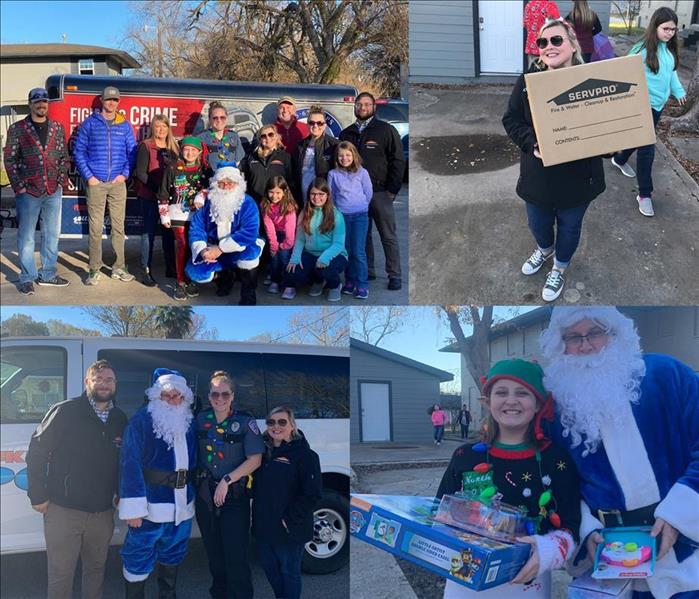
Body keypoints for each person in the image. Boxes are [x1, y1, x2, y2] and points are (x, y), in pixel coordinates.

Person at [540, 306, 699, 599]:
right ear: (561, 345)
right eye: (573, 337)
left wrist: (678, 516)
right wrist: (585, 530)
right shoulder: (557, 408)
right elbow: (557, 482)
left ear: (614, 334)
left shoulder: (667, 375)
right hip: (605, 560)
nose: (585, 345)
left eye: (595, 333)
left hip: (683, 557)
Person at [437, 359, 581, 599]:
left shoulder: (555, 458)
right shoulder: (463, 456)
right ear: (488, 401)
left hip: (526, 585)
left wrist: (549, 550)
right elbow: (439, 513)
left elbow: (571, 524)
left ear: (537, 404)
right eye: (501, 392)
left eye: (522, 393)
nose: (511, 401)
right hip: (466, 581)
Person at [502, 18, 605, 302]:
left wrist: (612, 142)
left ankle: (559, 266)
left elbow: (609, 127)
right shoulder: (526, 82)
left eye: (556, 40)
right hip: (539, 174)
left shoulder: (592, 80)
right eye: (542, 42)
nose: (548, 46)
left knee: (570, 227)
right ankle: (545, 249)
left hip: (579, 177)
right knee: (538, 224)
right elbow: (511, 119)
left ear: (573, 45)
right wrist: (531, 141)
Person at [25, 359, 127, 599]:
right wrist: (37, 495)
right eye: (98, 379)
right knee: (61, 573)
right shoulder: (65, 411)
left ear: (115, 384)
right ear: (87, 382)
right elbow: (37, 452)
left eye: (109, 379)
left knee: (96, 570)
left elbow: (123, 462)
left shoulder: (119, 419)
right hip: (64, 510)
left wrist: (121, 492)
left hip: (102, 513)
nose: (104, 384)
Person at [119, 369, 197, 598]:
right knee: (137, 558)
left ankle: (167, 595)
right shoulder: (141, 421)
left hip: (181, 507)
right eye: (167, 396)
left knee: (173, 554)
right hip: (150, 507)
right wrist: (133, 509)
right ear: (157, 397)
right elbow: (129, 463)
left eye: (178, 396)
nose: (173, 400)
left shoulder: (188, 421)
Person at [610, 7, 686, 218]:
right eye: (666, 28)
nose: (670, 33)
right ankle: (644, 194)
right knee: (647, 148)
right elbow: (622, 73)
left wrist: (678, 91)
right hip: (641, 105)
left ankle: (620, 158)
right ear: (655, 26)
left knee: (640, 140)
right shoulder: (641, 49)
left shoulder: (669, 50)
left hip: (658, 106)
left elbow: (672, 74)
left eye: (673, 29)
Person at [196, 370, 264, 599]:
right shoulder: (200, 420)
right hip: (206, 494)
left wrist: (227, 480)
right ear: (209, 396)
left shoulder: (245, 422)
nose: (220, 399)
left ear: (232, 395)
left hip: (234, 495)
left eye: (225, 394)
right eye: (215, 394)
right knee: (214, 556)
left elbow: (255, 459)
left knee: (236, 555)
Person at [4, 87, 69, 295]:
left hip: (52, 190)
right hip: (28, 192)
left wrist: (61, 180)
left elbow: (63, 157)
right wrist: (19, 186)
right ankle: (27, 278)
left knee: (52, 235)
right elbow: (10, 159)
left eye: (45, 102)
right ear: (30, 104)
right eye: (37, 101)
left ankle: (48, 274)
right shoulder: (17, 129)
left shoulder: (57, 128)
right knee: (27, 236)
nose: (42, 105)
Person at [252, 406, 322, 599]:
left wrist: (289, 519)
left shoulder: (305, 455)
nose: (276, 426)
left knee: (289, 573)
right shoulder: (261, 455)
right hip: (264, 526)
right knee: (270, 569)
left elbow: (312, 494)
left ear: (292, 425)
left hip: (290, 527)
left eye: (282, 422)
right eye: (271, 422)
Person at [72, 85, 137, 285]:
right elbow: (78, 151)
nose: (111, 103)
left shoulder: (125, 125)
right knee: (95, 228)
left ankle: (119, 267)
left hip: (117, 184)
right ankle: (94, 269)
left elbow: (132, 152)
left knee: (118, 228)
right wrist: (89, 176)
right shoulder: (90, 124)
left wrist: (124, 174)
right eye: (108, 99)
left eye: (115, 100)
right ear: (102, 100)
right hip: (96, 183)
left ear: (119, 102)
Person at [340, 92, 405, 290]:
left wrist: (392, 190)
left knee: (388, 235)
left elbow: (398, 160)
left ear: (374, 107)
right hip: (355, 196)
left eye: (367, 104)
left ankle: (394, 274)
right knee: (363, 235)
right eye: (359, 104)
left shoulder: (386, 130)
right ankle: (368, 271)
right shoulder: (347, 133)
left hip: (380, 192)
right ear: (355, 107)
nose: (362, 108)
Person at [186, 166, 264, 305]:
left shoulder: (248, 203)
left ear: (238, 184)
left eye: (230, 183)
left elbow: (249, 233)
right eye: (222, 183)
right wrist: (203, 250)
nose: (226, 187)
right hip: (214, 246)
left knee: (249, 257)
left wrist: (220, 249)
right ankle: (225, 277)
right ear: (216, 184)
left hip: (241, 247)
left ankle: (248, 292)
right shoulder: (208, 202)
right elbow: (196, 228)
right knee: (196, 273)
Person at [158, 135, 212, 301]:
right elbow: (163, 193)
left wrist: (201, 197)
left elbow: (210, 188)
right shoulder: (172, 168)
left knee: (194, 246)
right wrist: (164, 215)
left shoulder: (205, 169)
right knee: (181, 245)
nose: (189, 153)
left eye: (193, 150)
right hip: (177, 212)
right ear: (181, 150)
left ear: (199, 152)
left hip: (197, 215)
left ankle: (191, 279)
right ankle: (180, 281)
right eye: (186, 149)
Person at [281, 177, 348, 302]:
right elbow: (300, 239)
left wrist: (325, 257)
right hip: (311, 254)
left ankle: (335, 285)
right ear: (309, 195)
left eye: (321, 194)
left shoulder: (336, 215)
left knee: (326, 268)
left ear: (327, 195)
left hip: (333, 255)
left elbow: (338, 244)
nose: (316, 198)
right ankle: (318, 281)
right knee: (293, 271)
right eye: (313, 194)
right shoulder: (304, 213)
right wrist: (295, 258)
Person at [133, 114, 178, 286]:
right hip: (150, 196)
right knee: (148, 234)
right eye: (158, 126)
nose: (161, 130)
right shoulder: (146, 145)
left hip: (168, 200)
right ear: (153, 128)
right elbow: (140, 173)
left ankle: (170, 268)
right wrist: (159, 189)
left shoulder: (174, 147)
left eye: (164, 126)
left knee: (168, 233)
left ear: (168, 128)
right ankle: (146, 270)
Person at [328, 141, 373, 300]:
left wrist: (359, 206)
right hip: (342, 217)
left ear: (354, 155)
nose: (344, 158)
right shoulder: (333, 174)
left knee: (358, 251)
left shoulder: (362, 172)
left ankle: (362, 284)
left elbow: (368, 193)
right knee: (345, 250)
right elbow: (331, 196)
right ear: (337, 157)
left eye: (348, 155)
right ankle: (349, 281)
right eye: (341, 155)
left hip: (360, 216)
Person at [293, 104, 338, 208]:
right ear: (307, 124)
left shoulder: (334, 145)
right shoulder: (300, 146)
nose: (315, 126)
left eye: (320, 123)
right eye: (311, 122)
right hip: (304, 196)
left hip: (324, 197)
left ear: (325, 125)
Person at [260, 176, 297, 295]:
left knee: (285, 257)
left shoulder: (289, 206)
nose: (274, 196)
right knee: (274, 257)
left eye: (278, 193)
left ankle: (289, 284)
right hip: (274, 235)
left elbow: (290, 228)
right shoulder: (265, 205)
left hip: (288, 236)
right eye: (271, 192)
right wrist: (274, 245)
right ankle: (275, 280)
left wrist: (286, 244)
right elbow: (268, 226)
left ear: (284, 192)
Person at [240, 124, 294, 204]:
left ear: (276, 136)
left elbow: (291, 182)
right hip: (257, 202)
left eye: (271, 134)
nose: (267, 138)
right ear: (260, 139)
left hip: (279, 203)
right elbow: (247, 181)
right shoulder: (252, 158)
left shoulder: (285, 157)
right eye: (263, 136)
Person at [198, 100, 245, 171]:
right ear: (210, 119)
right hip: (210, 178)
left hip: (230, 177)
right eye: (215, 118)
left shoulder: (234, 136)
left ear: (226, 118)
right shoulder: (202, 137)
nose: (219, 120)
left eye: (222, 117)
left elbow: (238, 160)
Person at [523, 0, 561, 67]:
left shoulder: (529, 5)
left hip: (531, 45)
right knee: (546, 70)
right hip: (546, 44)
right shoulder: (550, 5)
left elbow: (525, 24)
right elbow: (557, 25)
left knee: (532, 69)